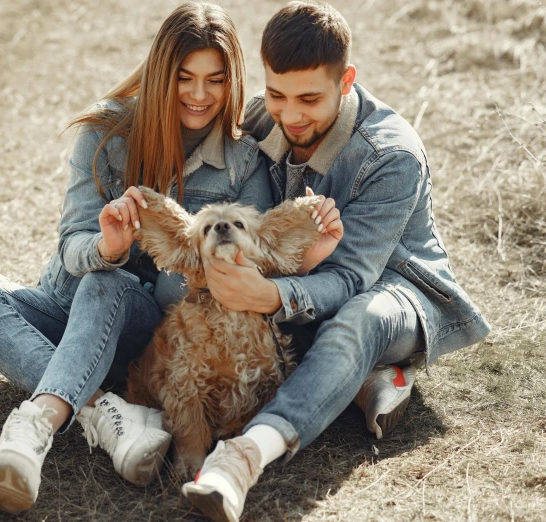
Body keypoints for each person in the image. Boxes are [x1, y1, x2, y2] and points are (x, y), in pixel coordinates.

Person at [0, 2, 341, 515]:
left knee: (109, 286)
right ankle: (105, 412)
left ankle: (35, 426)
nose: (200, 95)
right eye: (184, 77)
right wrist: (107, 246)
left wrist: (309, 251)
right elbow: (71, 244)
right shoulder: (107, 131)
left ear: (230, 82)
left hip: (147, 329)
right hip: (66, 308)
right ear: (159, 73)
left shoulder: (242, 158)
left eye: (216, 80)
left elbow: (250, 258)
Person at [180, 3, 491, 521]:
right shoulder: (262, 114)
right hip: (300, 279)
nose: (291, 114)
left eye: (309, 99)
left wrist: (274, 297)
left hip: (397, 291)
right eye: (278, 94)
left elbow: (351, 277)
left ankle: (241, 459)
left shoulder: (392, 155)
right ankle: (363, 380)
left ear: (346, 80)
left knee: (354, 322)